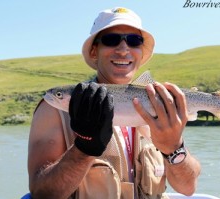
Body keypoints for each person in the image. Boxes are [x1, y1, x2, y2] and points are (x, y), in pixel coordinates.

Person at [27, 7, 201, 199]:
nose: (123, 49)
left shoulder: (159, 104)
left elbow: (188, 187)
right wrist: (84, 149)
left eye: (134, 41)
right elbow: (42, 193)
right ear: (94, 51)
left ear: (140, 53)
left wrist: (174, 148)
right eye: (111, 40)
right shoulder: (53, 109)